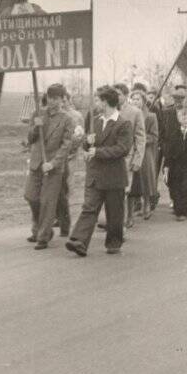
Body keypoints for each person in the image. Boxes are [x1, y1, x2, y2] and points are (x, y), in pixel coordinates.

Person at [65, 86, 133, 257]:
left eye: (97, 100)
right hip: (95, 174)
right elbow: (88, 146)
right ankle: (79, 241)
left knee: (114, 212)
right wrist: (87, 142)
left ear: (106, 102)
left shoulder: (123, 123)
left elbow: (123, 149)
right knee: (89, 207)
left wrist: (99, 151)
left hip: (114, 176)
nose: (95, 103)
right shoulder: (95, 121)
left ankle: (114, 242)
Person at [23, 84, 73, 250]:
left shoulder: (67, 119)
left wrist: (53, 163)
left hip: (53, 166)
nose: (53, 101)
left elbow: (66, 146)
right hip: (37, 162)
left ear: (62, 99)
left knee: (47, 201)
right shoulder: (37, 114)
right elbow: (30, 139)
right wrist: (37, 128)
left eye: (57, 98)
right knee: (30, 196)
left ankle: (43, 236)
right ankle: (41, 227)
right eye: (50, 97)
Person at [113, 83, 146, 228]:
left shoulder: (135, 112)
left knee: (125, 190)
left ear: (126, 96)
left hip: (128, 157)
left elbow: (140, 137)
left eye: (119, 94)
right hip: (111, 157)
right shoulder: (109, 110)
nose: (116, 97)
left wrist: (138, 159)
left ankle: (126, 219)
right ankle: (115, 220)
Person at [55, 92, 85, 236]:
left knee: (66, 185)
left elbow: (79, 135)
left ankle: (64, 218)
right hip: (56, 156)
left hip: (70, 156)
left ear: (68, 100)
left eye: (65, 100)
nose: (63, 103)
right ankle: (57, 216)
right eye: (61, 101)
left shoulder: (76, 116)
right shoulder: (55, 115)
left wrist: (72, 149)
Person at [129, 90, 158, 220]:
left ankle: (146, 205)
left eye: (138, 99)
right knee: (133, 180)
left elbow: (154, 136)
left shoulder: (151, 116)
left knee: (145, 179)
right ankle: (134, 207)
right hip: (131, 151)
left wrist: (141, 140)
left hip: (145, 152)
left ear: (144, 101)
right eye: (133, 99)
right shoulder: (128, 115)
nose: (135, 102)